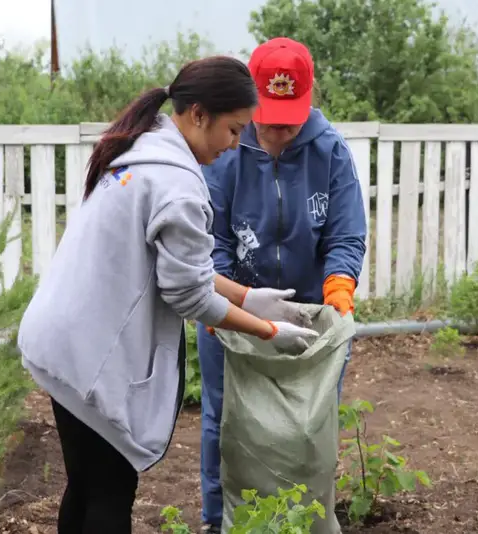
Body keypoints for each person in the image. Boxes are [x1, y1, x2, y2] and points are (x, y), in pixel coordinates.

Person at [16, 55, 320, 534]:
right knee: (109, 494)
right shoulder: (177, 184)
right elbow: (190, 296)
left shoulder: (141, 150)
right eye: (234, 129)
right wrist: (267, 331)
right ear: (198, 115)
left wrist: (246, 296)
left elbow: (174, 267)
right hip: (89, 353)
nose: (236, 144)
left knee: (87, 485)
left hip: (64, 339)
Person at [196, 38, 368, 532]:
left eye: (290, 117)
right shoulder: (227, 149)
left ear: (309, 100)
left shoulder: (330, 150)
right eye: (268, 115)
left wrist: (338, 288)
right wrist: (221, 302)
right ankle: (219, 521)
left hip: (308, 316)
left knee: (309, 425)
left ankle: (303, 521)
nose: (277, 128)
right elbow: (214, 236)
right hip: (234, 310)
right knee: (224, 420)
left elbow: (345, 230)